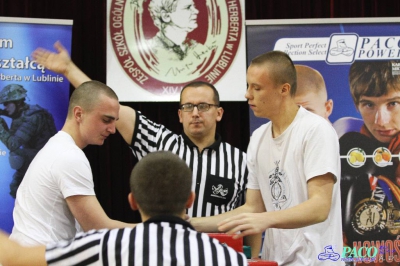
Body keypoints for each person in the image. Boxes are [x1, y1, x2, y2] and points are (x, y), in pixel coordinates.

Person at [31, 41, 253, 252]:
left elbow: (251, 213)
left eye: (203, 106)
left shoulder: (242, 160)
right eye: (188, 106)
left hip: (218, 256)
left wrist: (253, 254)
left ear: (219, 112)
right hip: (163, 255)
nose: (195, 113)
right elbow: (104, 105)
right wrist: (69, 70)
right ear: (179, 114)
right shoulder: (159, 141)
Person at [191, 50, 343, 265]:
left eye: (257, 88)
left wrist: (263, 219)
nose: (247, 95)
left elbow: (319, 207)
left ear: (284, 89)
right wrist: (191, 223)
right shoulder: (259, 137)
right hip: (275, 260)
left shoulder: (316, 130)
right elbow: (253, 208)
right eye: (248, 86)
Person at [0, 151, 248, 266]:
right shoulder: (228, 258)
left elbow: (13, 258)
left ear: (132, 201)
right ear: (190, 200)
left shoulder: (104, 245)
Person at [9, 80, 135, 246]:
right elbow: (97, 228)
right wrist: (159, 229)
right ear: (78, 114)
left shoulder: (58, 147)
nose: (112, 129)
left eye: (114, 121)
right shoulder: (69, 156)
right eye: (106, 120)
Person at [339, 60, 400, 265]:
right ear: (357, 105)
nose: (381, 120)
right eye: (369, 105)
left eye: (393, 104)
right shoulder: (348, 145)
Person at [0, 84, 57, 198]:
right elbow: (9, 112)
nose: (5, 107)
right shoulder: (22, 112)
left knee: (16, 155)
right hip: (36, 158)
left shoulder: (33, 117)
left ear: (18, 102)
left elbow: (13, 144)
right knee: (15, 189)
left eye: (7, 104)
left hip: (46, 163)